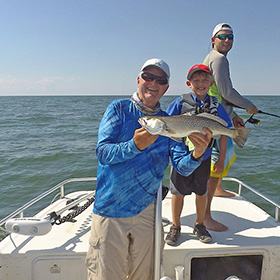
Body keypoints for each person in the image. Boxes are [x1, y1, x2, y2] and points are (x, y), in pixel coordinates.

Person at [85, 58, 213, 280]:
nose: (153, 82)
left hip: (148, 213)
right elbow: (103, 153)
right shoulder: (119, 109)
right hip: (111, 212)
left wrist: (197, 155)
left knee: (145, 276)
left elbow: (181, 168)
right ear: (138, 80)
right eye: (148, 77)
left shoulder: (169, 122)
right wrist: (133, 146)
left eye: (160, 79)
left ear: (166, 88)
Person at [165, 64, 232, 246]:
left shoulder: (216, 105)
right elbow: (167, 125)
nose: (200, 83)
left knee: (201, 192)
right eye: (196, 80)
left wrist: (222, 159)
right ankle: (176, 226)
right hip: (183, 156)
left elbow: (225, 132)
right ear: (189, 83)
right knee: (178, 192)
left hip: (205, 157)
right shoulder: (179, 102)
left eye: (204, 80)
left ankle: (200, 225)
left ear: (211, 83)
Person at [203, 23, 258, 231]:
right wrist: (248, 106)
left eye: (230, 36)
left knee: (223, 157)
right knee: (216, 162)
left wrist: (233, 114)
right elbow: (227, 92)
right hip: (215, 118)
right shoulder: (218, 59)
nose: (227, 40)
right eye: (222, 36)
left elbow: (217, 92)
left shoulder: (213, 58)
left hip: (220, 114)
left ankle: (218, 188)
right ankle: (206, 216)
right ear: (213, 40)